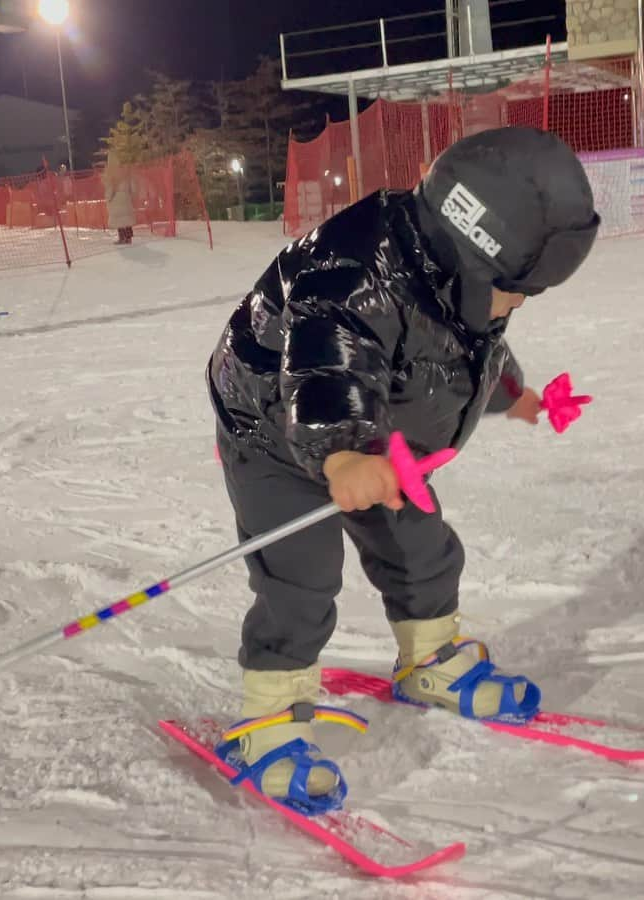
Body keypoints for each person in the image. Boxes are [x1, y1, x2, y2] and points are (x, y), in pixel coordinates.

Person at [207, 127, 600, 812]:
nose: (518, 305)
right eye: (518, 291)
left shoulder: (454, 281)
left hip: (369, 441)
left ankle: (428, 661)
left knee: (422, 546)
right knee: (299, 580)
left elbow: (468, 359)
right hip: (273, 432)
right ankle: (268, 719)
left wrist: (521, 400)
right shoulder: (352, 272)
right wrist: (343, 448)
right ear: (478, 255)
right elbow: (328, 354)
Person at [103, 150, 136, 245]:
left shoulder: (111, 174)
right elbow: (132, 186)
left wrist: (108, 198)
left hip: (116, 199)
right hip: (125, 198)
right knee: (126, 218)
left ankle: (122, 238)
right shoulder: (125, 172)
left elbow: (109, 189)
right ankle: (128, 238)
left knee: (119, 220)